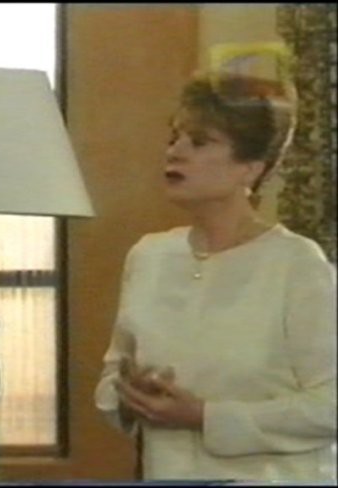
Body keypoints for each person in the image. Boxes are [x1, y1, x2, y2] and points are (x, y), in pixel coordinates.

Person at [94, 70, 336, 482]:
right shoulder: (149, 256)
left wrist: (206, 417)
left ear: (250, 168)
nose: (175, 152)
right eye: (174, 137)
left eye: (200, 141)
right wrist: (132, 396)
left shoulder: (297, 265)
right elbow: (111, 380)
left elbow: (330, 405)